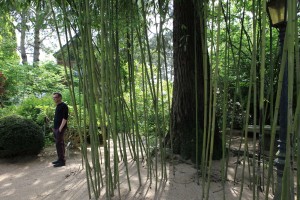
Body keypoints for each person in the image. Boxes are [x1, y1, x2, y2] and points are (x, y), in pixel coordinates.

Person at [52, 92, 68, 167]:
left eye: (55, 97)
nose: (54, 99)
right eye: (53, 97)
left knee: (60, 144)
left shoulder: (64, 106)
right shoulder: (58, 106)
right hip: (56, 128)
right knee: (58, 144)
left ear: (60, 98)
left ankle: (62, 161)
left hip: (60, 128)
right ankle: (59, 159)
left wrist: (60, 129)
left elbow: (65, 118)